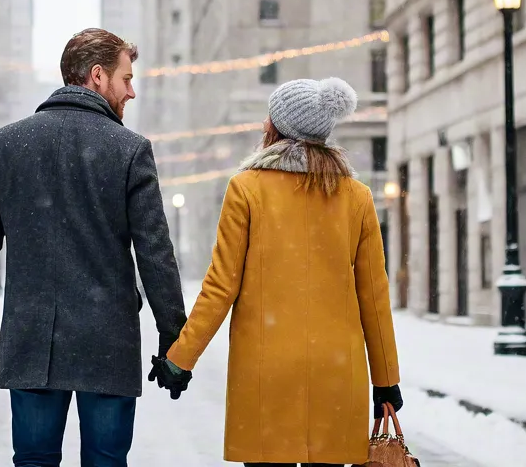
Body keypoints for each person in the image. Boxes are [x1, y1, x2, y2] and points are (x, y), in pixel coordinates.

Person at [0, 28, 189, 467]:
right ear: (98, 76)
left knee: (33, 460)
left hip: (31, 340)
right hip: (106, 345)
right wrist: (173, 341)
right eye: (126, 79)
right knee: (106, 461)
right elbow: (155, 254)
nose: (132, 91)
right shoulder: (128, 149)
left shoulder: (6, 144)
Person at [153, 77, 403, 467]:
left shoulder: (247, 188)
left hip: (266, 371)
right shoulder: (357, 196)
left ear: (278, 126)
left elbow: (221, 286)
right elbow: (373, 293)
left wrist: (180, 359)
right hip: (335, 371)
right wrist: (386, 378)